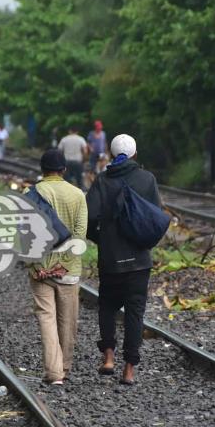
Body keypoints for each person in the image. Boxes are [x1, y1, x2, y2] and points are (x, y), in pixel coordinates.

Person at [86, 134, 161, 385]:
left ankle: (108, 357)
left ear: (110, 152)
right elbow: (155, 216)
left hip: (111, 259)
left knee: (107, 306)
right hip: (139, 260)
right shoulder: (147, 179)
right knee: (135, 313)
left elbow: (89, 218)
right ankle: (129, 369)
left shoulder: (103, 180)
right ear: (135, 155)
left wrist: (102, 239)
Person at [29, 149, 87, 385]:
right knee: (68, 320)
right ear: (64, 170)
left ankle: (53, 374)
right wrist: (63, 264)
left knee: (46, 318)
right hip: (68, 269)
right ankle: (63, 368)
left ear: (42, 171)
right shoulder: (78, 195)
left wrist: (33, 266)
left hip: (40, 268)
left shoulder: (31, 194)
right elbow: (80, 237)